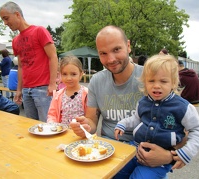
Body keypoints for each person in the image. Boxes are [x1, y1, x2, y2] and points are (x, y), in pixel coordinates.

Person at [70, 25, 181, 168]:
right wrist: (85, 126)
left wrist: (168, 157)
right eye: (103, 53)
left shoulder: (153, 79)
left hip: (145, 154)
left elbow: (182, 130)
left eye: (116, 50)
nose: (110, 59)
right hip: (108, 151)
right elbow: (92, 121)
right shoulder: (96, 81)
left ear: (128, 46)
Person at [114, 55, 199, 179]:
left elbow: (197, 129)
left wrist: (186, 153)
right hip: (135, 148)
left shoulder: (183, 107)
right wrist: (123, 124)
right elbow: (136, 119)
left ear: (173, 83)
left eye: (163, 81)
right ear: (145, 83)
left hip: (159, 161)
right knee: (116, 171)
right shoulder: (143, 102)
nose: (156, 85)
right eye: (151, 81)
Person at [0, 2, 58, 122]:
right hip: (26, 90)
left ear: (17, 14)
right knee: (31, 126)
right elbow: (20, 66)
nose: (5, 23)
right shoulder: (15, 41)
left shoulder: (39, 31)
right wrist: (19, 89)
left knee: (47, 126)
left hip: (43, 88)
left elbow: (53, 56)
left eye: (6, 18)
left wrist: (52, 84)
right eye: (3, 20)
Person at [47, 56, 88, 124]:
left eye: (73, 74)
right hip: (63, 132)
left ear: (80, 75)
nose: (69, 78)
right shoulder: (58, 95)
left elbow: (91, 117)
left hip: (81, 131)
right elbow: (52, 114)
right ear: (60, 75)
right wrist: (52, 123)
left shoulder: (87, 93)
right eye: (65, 74)